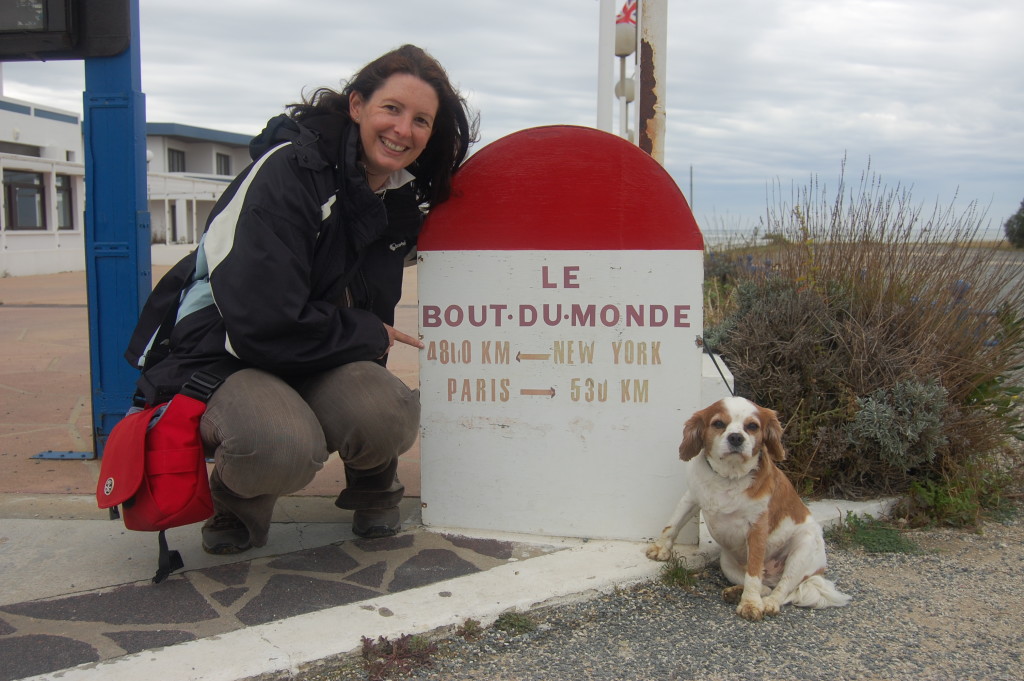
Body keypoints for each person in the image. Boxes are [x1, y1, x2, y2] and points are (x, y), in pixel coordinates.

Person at [125, 44, 478, 554]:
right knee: (280, 444)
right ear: (357, 106)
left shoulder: (400, 199)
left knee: (389, 409)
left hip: (318, 348)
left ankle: (374, 485)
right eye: (392, 109)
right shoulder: (288, 173)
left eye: (421, 120)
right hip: (230, 349)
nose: (404, 130)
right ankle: (239, 502)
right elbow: (264, 320)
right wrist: (367, 333)